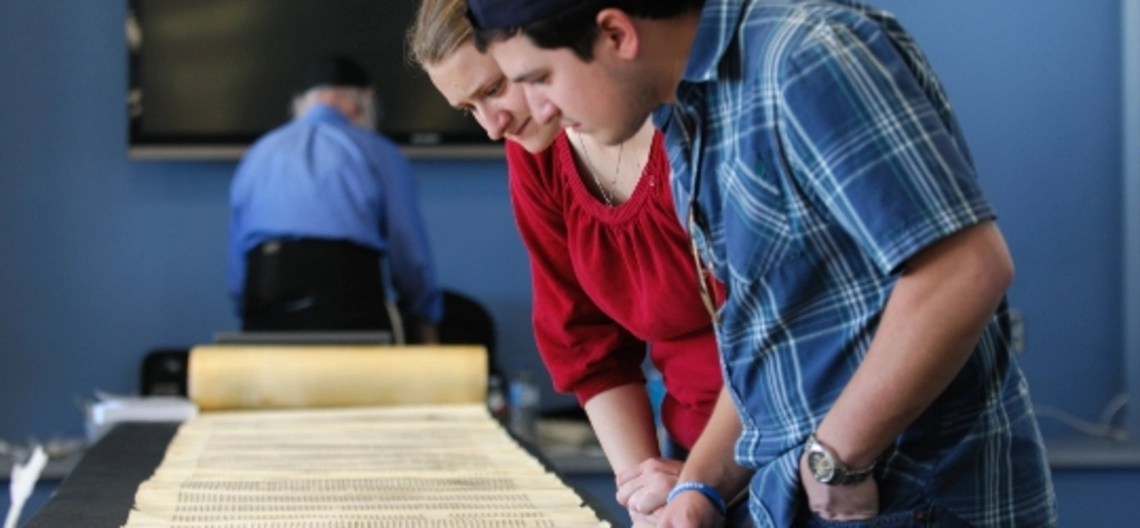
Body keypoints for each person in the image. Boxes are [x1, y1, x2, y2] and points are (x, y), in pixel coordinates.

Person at [466, 0, 1058, 527]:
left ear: (617, 34)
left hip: (912, 491)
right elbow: (769, 334)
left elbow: (963, 271)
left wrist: (838, 458)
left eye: (540, 78)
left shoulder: (803, 55)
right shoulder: (690, 109)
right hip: (798, 491)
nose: (535, 108)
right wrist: (701, 488)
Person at [408, 1, 752, 524]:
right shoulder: (536, 153)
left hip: (789, 437)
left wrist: (703, 481)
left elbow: (777, 332)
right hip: (683, 459)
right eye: (467, 109)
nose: (493, 128)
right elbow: (584, 342)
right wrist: (646, 497)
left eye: (497, 88)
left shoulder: (692, 126)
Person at [228, 54, 442, 342]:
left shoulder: (258, 153)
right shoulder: (379, 152)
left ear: (303, 103)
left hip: (265, 300)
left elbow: (238, 259)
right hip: (347, 301)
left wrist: (249, 314)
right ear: (364, 101)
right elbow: (408, 249)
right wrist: (425, 315)